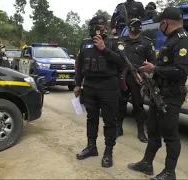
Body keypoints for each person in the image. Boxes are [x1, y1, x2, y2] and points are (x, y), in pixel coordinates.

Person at [128, 7, 188, 180]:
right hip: (158, 93)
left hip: (171, 95)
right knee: (153, 129)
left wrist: (155, 68)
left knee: (170, 134)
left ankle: (170, 172)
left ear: (165, 22)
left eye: (160, 22)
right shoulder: (171, 39)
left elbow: (182, 71)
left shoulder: (182, 40)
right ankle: (147, 163)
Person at [74, 15, 124, 168]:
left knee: (110, 122)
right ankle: (91, 147)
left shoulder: (115, 43)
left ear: (106, 29)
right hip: (89, 87)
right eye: (93, 27)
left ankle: (108, 152)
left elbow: (122, 62)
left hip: (108, 88)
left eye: (99, 27)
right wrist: (77, 84)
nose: (95, 30)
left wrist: (104, 49)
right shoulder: (85, 44)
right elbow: (79, 65)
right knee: (91, 119)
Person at [117, 18, 156, 143]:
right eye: (134, 25)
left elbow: (152, 62)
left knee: (138, 105)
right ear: (129, 27)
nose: (137, 27)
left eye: (139, 25)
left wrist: (145, 75)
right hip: (121, 77)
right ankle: (118, 128)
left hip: (137, 78)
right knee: (120, 103)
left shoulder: (146, 43)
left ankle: (141, 131)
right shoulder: (120, 41)